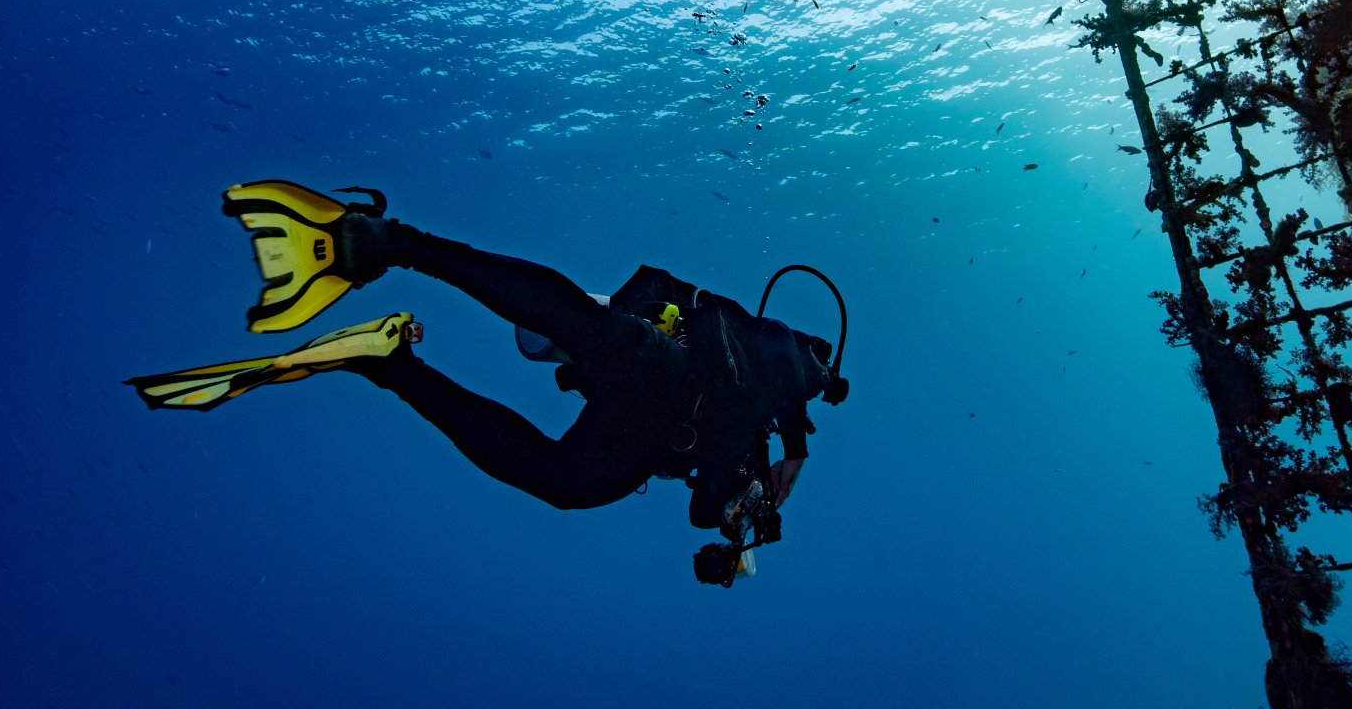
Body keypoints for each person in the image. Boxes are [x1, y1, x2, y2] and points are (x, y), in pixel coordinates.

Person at [129, 180, 848, 547]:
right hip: (670, 365)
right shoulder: (785, 379)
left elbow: (701, 510)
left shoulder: (745, 460)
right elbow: (786, 353)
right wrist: (797, 446)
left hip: (643, 430)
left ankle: (389, 363)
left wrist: (743, 514)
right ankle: (387, 242)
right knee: (593, 333)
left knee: (566, 485)